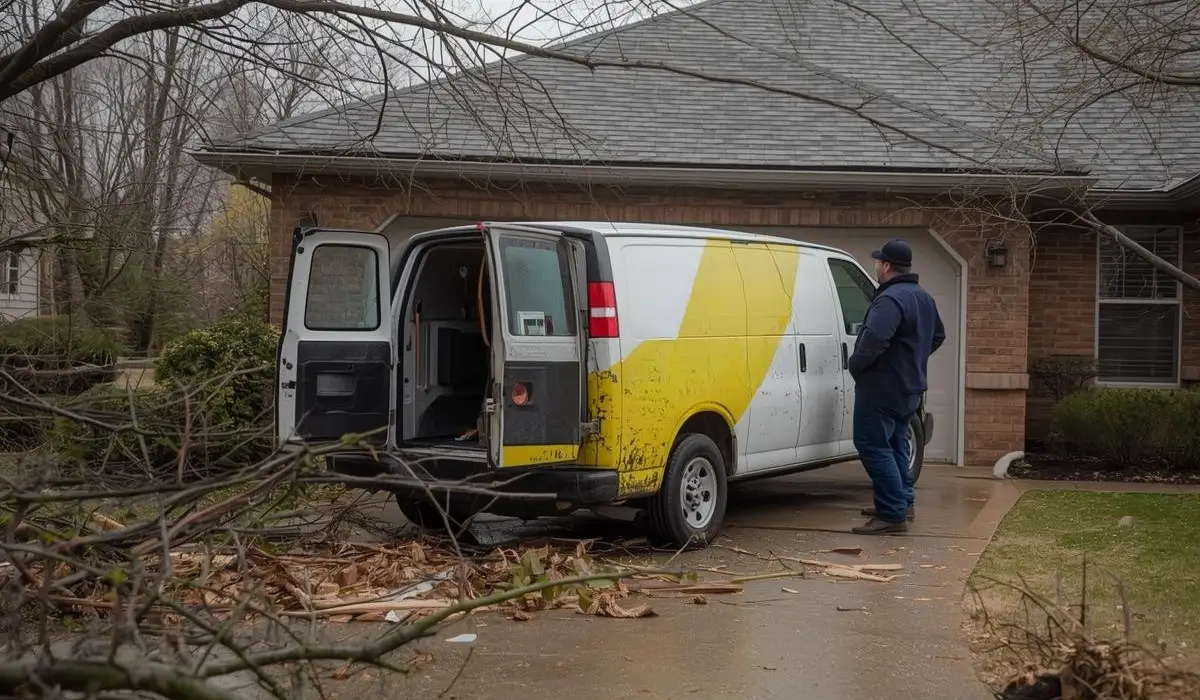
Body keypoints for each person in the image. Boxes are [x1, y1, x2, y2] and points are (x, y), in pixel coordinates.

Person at [848, 239, 945, 535]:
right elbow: (938, 335)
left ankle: (892, 514)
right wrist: (912, 358)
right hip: (910, 388)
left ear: (887, 266)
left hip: (882, 387)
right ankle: (902, 501)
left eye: (878, 262)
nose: (876, 266)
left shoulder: (891, 299)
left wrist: (856, 365)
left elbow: (874, 340)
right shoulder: (923, 297)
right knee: (896, 444)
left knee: (872, 444)